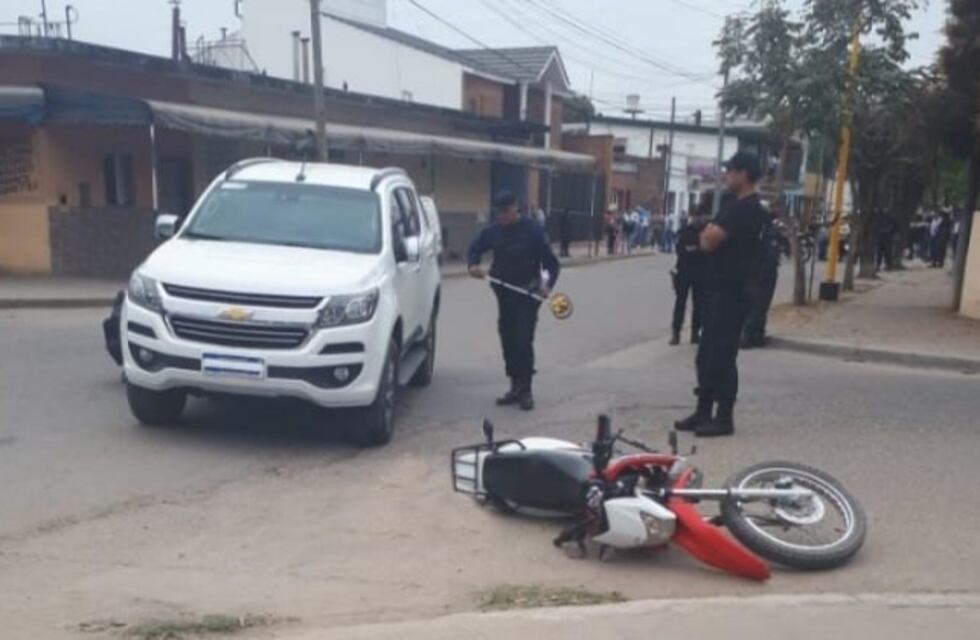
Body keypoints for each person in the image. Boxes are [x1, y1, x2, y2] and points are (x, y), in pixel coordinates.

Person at [674, 152, 768, 438]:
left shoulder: (746, 209)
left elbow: (708, 239)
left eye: (730, 171)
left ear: (744, 174)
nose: (726, 175)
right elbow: (708, 236)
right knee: (706, 353)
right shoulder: (731, 205)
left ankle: (723, 416)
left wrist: (708, 234)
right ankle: (703, 410)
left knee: (722, 354)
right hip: (716, 288)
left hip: (733, 291)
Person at [468, 191, 560, 411]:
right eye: (499, 212)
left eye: (506, 211)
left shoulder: (533, 232)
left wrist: (546, 286)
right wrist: (473, 264)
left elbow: (552, 265)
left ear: (516, 208)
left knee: (522, 339)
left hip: (528, 294)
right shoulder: (494, 232)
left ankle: (526, 389)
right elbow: (475, 248)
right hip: (504, 292)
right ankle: (514, 386)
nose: (502, 216)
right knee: (508, 339)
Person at [742, 208, 787, 349]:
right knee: (758, 306)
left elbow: (773, 255)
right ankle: (752, 336)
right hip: (762, 275)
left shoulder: (765, 233)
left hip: (761, 274)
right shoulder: (768, 233)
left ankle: (753, 336)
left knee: (758, 306)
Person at [670, 203, 708, 346]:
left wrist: (693, 250)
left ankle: (695, 333)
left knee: (699, 305)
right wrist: (696, 250)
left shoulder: (706, 231)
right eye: (695, 216)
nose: (698, 219)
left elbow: (706, 250)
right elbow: (681, 250)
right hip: (684, 271)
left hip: (701, 273)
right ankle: (676, 332)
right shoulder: (685, 231)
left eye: (700, 216)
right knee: (680, 303)